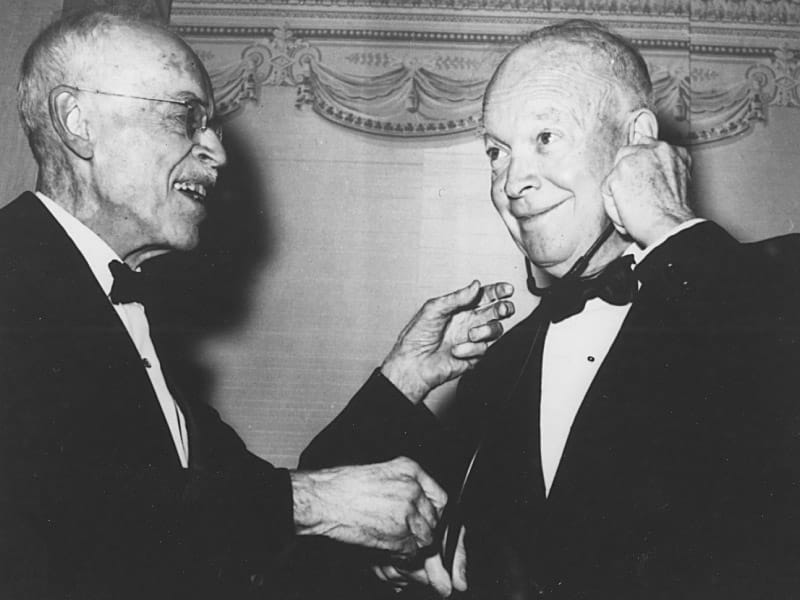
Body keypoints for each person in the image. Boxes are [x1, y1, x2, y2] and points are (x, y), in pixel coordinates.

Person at [0, 9, 516, 600]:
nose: (215, 150)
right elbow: (76, 522)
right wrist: (314, 504)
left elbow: (244, 503)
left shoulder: (126, 310)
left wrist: (404, 377)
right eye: (185, 116)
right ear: (77, 122)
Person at [301, 19, 800, 598]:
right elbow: (317, 508)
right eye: (496, 151)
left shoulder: (768, 291)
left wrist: (670, 227)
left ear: (636, 140)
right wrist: (404, 376)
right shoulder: (499, 370)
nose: (512, 181)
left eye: (545, 138)